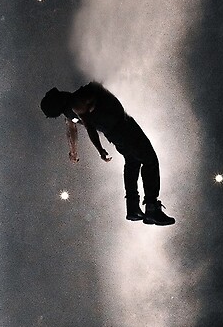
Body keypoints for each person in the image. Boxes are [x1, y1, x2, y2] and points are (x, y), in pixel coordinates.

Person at [40, 81, 175, 225]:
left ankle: (133, 207)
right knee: (150, 160)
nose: (61, 92)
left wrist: (73, 152)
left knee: (132, 161)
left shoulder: (69, 113)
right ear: (59, 100)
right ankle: (151, 208)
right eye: (58, 94)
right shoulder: (76, 102)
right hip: (123, 128)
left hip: (115, 133)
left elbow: (71, 131)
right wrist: (100, 150)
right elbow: (89, 127)